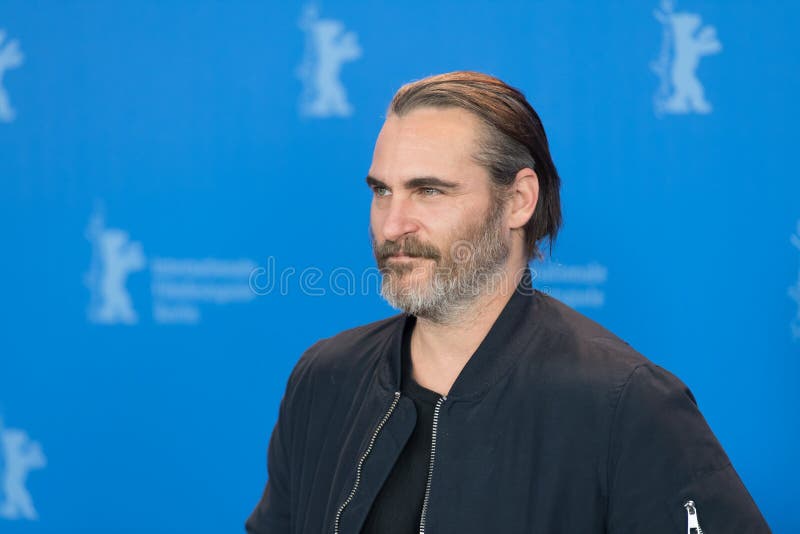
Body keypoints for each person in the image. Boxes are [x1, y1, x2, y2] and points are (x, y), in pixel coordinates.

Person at [245, 71, 770, 533]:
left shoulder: (626, 404)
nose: (392, 224)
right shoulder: (324, 378)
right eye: (382, 191)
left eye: (430, 191)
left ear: (518, 200)